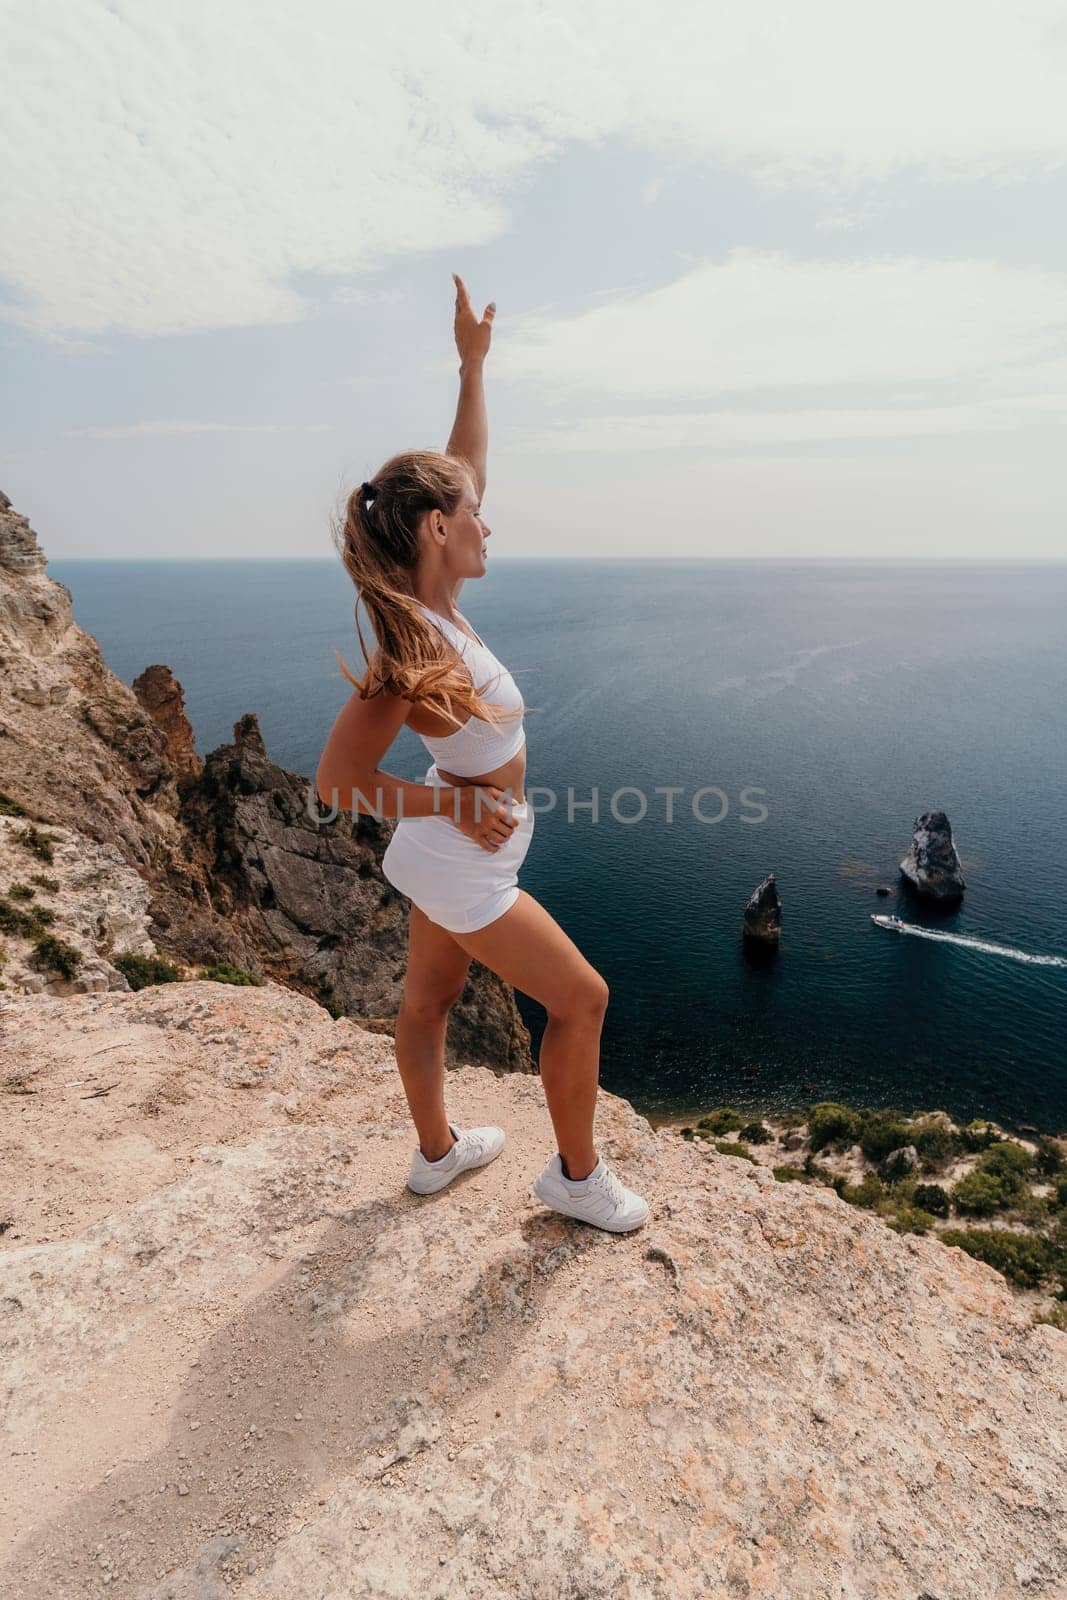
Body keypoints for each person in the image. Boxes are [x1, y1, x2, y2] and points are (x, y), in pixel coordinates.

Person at [316, 274, 648, 1233]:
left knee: (430, 1001)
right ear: (436, 530)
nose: (486, 520)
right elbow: (337, 783)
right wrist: (453, 807)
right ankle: (577, 1181)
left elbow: (465, 464)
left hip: (460, 845)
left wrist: (470, 364)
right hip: (461, 847)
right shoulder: (412, 649)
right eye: (471, 515)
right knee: (582, 999)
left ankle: (434, 1158)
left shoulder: (436, 612)